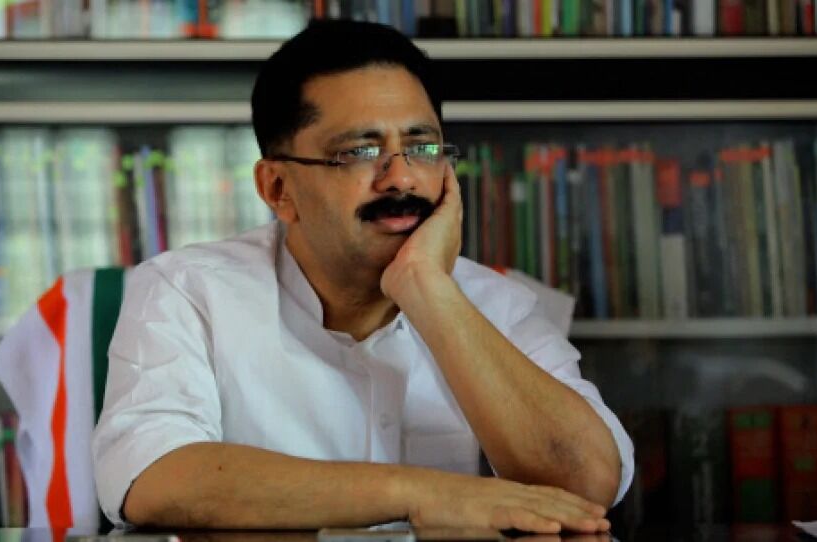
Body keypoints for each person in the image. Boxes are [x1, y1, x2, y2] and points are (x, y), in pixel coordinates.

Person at [92, 20, 633, 534]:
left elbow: (588, 485)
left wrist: (428, 289)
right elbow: (151, 477)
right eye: (359, 152)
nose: (401, 179)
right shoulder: (188, 290)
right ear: (278, 188)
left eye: (422, 148)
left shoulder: (500, 304)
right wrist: (424, 494)